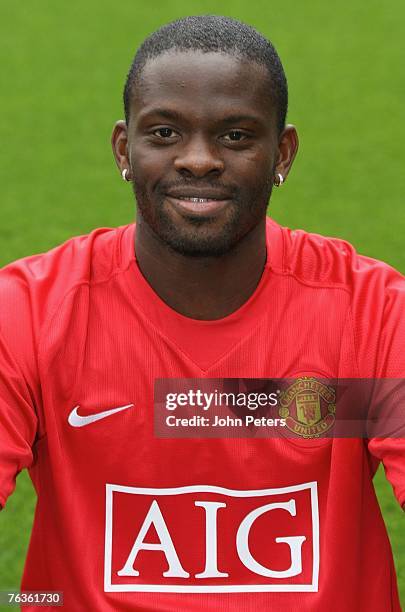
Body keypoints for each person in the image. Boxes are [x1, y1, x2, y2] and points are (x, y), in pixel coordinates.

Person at [0, 14, 403, 611]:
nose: (198, 160)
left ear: (282, 152)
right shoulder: (29, 312)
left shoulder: (370, 314)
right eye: (164, 133)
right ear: (123, 148)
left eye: (236, 136)